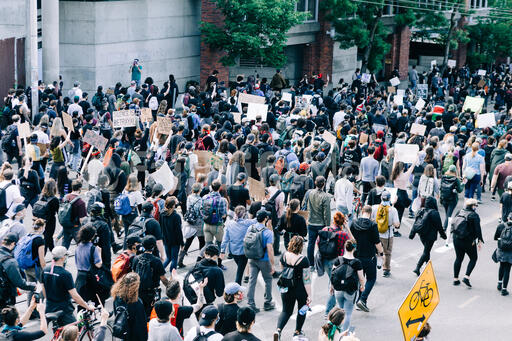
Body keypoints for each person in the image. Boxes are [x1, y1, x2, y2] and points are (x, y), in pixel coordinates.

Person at [40, 246, 94, 327]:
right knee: (73, 332)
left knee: (59, 333)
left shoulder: (45, 270)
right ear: (63, 258)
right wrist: (87, 306)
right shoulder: (65, 274)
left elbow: (43, 288)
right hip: (63, 310)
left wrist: (49, 300)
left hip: (50, 307)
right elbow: (75, 296)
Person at [274, 236, 311, 339]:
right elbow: (307, 279)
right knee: (301, 310)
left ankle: (278, 330)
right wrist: (309, 295)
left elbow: (282, 268)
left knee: (286, 311)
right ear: (301, 246)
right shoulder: (304, 260)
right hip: (300, 289)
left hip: (286, 287)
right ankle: (297, 331)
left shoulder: (284, 255)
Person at [350, 205, 383, 313]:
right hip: (369, 256)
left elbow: (351, 239)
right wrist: (381, 253)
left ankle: (359, 301)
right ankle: (363, 299)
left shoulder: (354, 223)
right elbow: (377, 242)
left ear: (362, 211)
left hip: (357, 256)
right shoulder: (373, 225)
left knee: (361, 279)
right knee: (371, 279)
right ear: (370, 213)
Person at [330, 239, 365, 332]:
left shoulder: (338, 260)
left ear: (345, 247)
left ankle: (337, 331)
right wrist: (362, 286)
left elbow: (332, 274)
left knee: (340, 310)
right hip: (350, 291)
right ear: (354, 249)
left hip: (338, 290)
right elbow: (361, 278)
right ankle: (343, 333)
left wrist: (331, 287)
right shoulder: (357, 262)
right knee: (348, 313)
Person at [321, 212, 351, 317]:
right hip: (337, 262)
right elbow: (353, 243)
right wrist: (347, 228)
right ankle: (328, 311)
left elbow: (317, 243)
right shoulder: (343, 234)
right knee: (333, 285)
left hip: (325, 260)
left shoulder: (325, 230)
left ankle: (331, 309)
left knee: (332, 282)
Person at [132, 236, 170, 317]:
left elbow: (133, 275)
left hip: (138, 292)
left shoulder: (136, 259)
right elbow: (163, 279)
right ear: (153, 246)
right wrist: (170, 287)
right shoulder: (156, 261)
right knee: (153, 313)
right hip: (152, 293)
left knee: (142, 313)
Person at [409, 197, 447, 275]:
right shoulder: (434, 213)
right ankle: (418, 267)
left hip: (422, 234)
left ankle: (427, 265)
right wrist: (443, 236)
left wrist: (412, 234)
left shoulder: (421, 210)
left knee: (427, 250)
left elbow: (416, 223)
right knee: (426, 251)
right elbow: (439, 226)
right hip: (430, 235)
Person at [247, 210, 276, 313]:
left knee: (252, 281)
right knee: (268, 281)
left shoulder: (251, 228)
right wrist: (272, 265)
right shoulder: (268, 232)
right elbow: (270, 249)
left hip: (252, 258)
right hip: (264, 260)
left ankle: (250, 303)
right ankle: (267, 302)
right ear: (265, 219)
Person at [451, 199, 483, 288]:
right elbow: (477, 230)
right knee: (473, 258)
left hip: (456, 239)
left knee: (458, 258)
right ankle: (466, 277)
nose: (476, 207)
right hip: (468, 241)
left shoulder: (459, 212)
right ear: (472, 206)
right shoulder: (474, 215)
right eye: (475, 205)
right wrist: (479, 241)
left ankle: (455, 279)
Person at [220, 206, 256, 284]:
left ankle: (238, 287)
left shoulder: (230, 224)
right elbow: (257, 219)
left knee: (240, 269)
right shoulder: (246, 223)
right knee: (239, 273)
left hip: (233, 251)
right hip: (243, 251)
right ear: (244, 214)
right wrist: (263, 206)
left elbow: (225, 239)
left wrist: (222, 250)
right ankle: (236, 289)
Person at [0, 233, 36, 309]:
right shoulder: (10, 261)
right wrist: (32, 286)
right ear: (13, 243)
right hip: (4, 297)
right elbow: (19, 283)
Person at [112, 272, 148, 341]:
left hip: (123, 331)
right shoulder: (136, 302)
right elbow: (141, 326)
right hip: (133, 336)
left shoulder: (117, 297)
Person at [371, 191, 399, 277]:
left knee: (374, 251)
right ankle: (386, 269)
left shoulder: (374, 208)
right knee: (387, 252)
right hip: (387, 234)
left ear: (381, 198)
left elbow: (371, 219)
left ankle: (373, 267)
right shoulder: (393, 210)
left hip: (376, 233)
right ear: (390, 198)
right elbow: (397, 224)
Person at [20, 218, 46, 310]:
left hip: (27, 267)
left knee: (31, 288)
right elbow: (41, 258)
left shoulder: (28, 235)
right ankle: (41, 308)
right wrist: (45, 270)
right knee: (43, 286)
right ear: (42, 227)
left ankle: (30, 309)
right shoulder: (39, 240)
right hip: (36, 268)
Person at [74, 224, 103, 306]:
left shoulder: (78, 247)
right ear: (92, 236)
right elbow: (98, 264)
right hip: (90, 277)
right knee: (95, 298)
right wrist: (100, 253)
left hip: (79, 277)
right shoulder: (93, 248)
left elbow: (76, 262)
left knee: (82, 301)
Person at [306, 176, 331, 268]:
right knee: (322, 244)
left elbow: (308, 207)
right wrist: (328, 226)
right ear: (324, 184)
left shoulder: (310, 193)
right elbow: (327, 213)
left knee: (311, 244)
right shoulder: (325, 197)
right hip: (321, 224)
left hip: (311, 222)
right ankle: (321, 263)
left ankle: (310, 264)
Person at [180, 183, 205, 268]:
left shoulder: (189, 197)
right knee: (202, 242)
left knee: (188, 242)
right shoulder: (201, 200)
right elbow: (201, 213)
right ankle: (200, 262)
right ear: (199, 190)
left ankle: (180, 260)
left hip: (190, 221)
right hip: (198, 223)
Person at [159, 197, 184, 272]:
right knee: (174, 259)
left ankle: (159, 271)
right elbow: (178, 232)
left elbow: (160, 226)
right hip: (175, 241)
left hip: (166, 239)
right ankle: (172, 275)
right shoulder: (176, 216)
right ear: (173, 206)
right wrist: (182, 243)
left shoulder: (162, 214)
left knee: (168, 258)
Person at [62, 180, 88, 249]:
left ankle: (61, 259)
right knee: (81, 247)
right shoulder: (80, 202)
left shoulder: (65, 197)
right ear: (80, 188)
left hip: (66, 226)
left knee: (64, 247)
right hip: (76, 227)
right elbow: (82, 220)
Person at [440, 165, 464, 230]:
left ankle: (446, 225)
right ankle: (444, 228)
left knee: (447, 214)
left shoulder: (443, 177)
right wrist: (463, 184)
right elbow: (459, 190)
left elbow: (441, 187)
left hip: (444, 197)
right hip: (452, 199)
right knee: (449, 215)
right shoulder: (456, 179)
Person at [494, 213, 512, 296]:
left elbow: (495, 238)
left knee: (501, 266)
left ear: (508, 218)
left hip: (501, 250)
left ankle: (499, 284)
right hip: (510, 252)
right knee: (507, 269)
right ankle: (504, 289)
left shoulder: (501, 226)